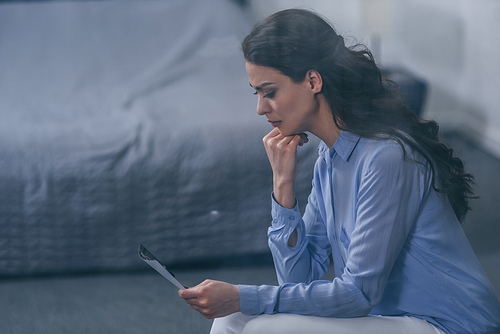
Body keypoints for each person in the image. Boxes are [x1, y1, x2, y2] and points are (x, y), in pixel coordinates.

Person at [179, 8, 500, 334]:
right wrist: (283, 186)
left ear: (313, 81)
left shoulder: (387, 158)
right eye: (258, 93)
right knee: (231, 318)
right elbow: (298, 281)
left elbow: (358, 294)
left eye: (270, 92)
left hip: (452, 326)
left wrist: (242, 295)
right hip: (396, 320)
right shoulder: (329, 160)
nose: (261, 108)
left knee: (256, 324)